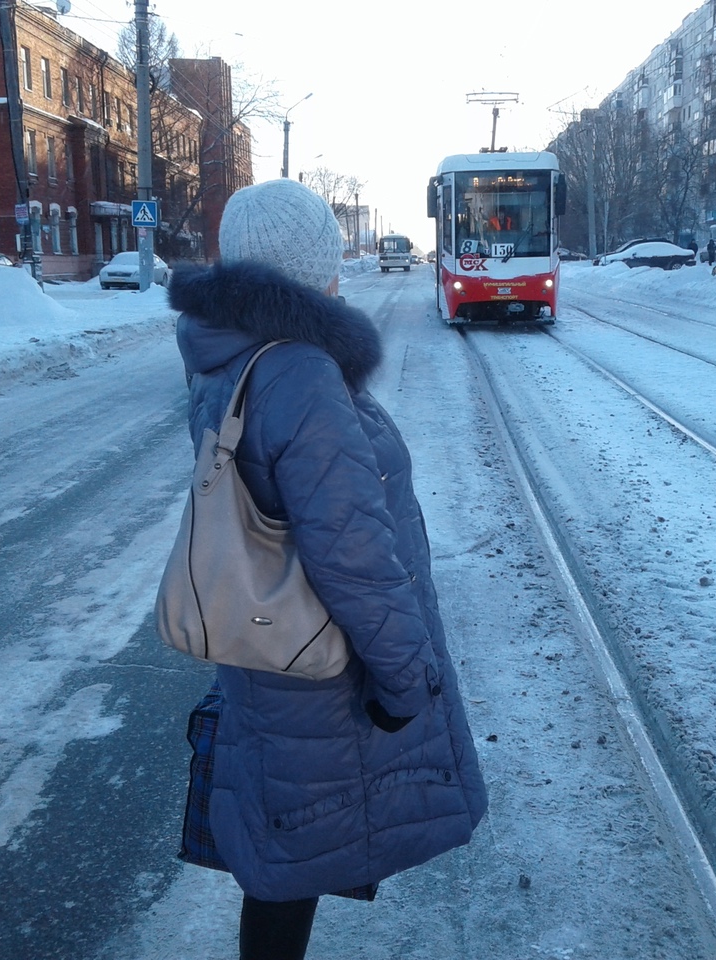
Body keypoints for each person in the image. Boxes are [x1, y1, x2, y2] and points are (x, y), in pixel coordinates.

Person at [168, 178, 488, 960]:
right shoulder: (299, 374)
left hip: (267, 651)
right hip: (322, 667)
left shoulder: (231, 354)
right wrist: (406, 682)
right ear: (313, 268)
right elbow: (353, 553)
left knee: (285, 853)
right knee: (294, 856)